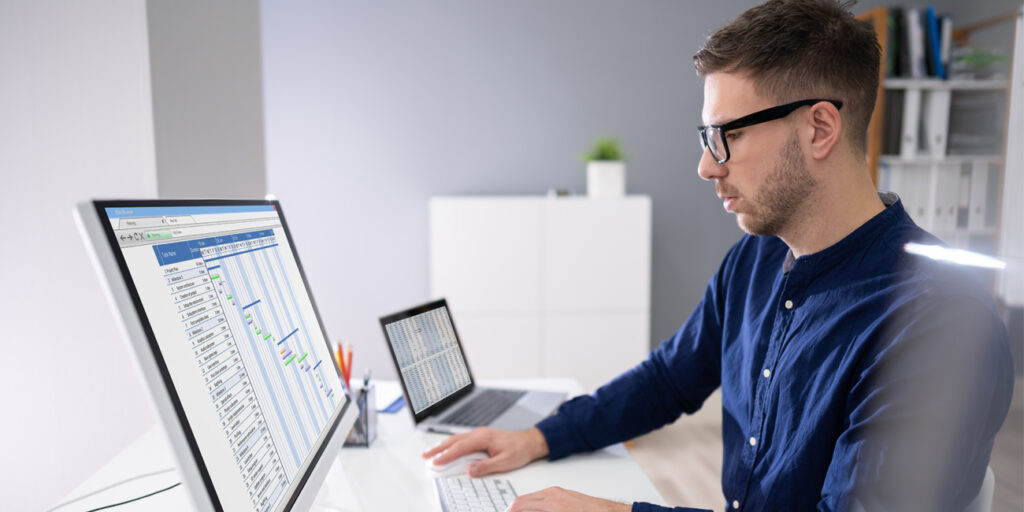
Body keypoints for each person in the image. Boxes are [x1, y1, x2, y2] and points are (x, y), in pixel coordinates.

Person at [423, 0, 1015, 510]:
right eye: (707, 138)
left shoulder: (938, 323)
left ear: (819, 129)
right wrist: (539, 438)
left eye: (727, 135)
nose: (707, 166)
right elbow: (668, 379)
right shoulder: (754, 261)